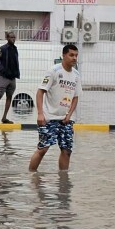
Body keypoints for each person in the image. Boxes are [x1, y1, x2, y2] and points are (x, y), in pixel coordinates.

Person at [29, 44, 81, 172]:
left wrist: (69, 115)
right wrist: (40, 114)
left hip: (66, 119)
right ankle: (31, 175)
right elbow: (40, 92)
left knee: (67, 150)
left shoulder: (76, 75)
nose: (74, 58)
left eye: (76, 55)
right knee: (43, 149)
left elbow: (76, 97)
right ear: (63, 55)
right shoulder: (54, 71)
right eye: (71, 55)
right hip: (50, 117)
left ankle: (63, 180)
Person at [0, 31, 20, 125]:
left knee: (9, 96)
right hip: (3, 77)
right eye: (11, 37)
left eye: (14, 37)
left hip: (12, 77)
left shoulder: (15, 49)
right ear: (7, 38)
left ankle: (4, 117)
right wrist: (2, 70)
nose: (13, 39)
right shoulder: (2, 48)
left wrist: (16, 73)